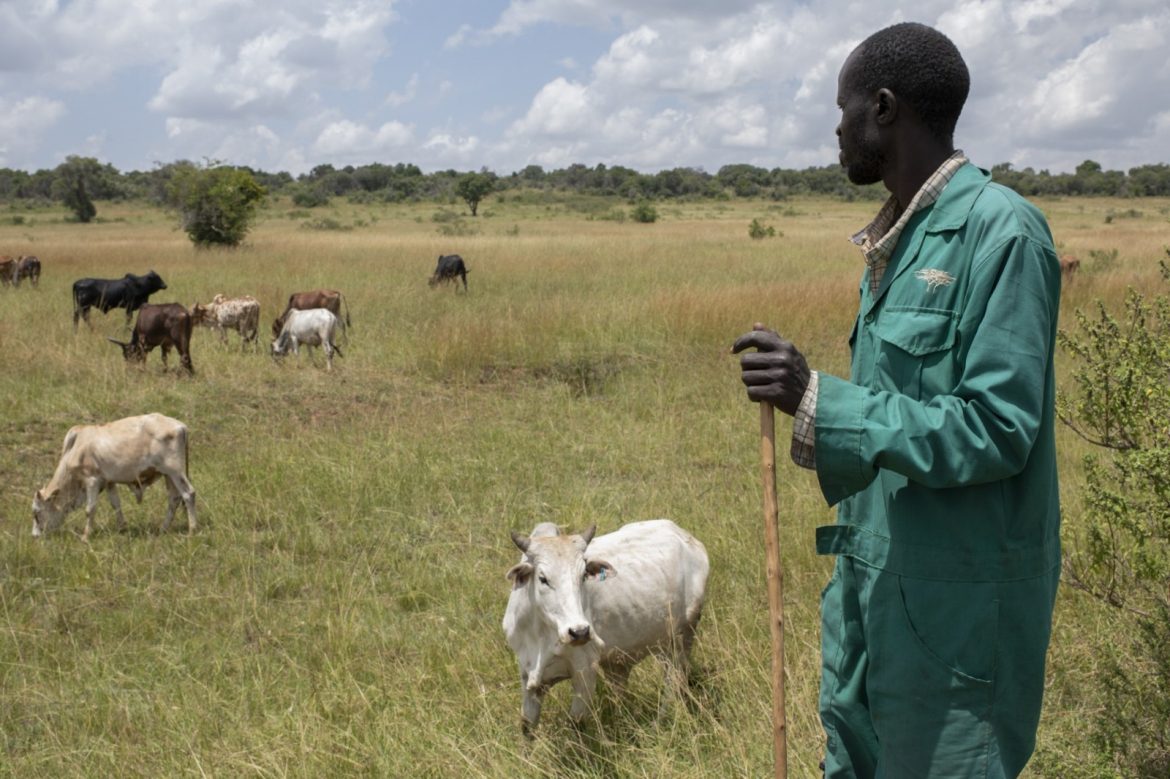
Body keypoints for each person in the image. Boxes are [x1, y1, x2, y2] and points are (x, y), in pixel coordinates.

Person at [732, 22, 1062, 779]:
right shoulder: (899, 243)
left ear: (882, 109)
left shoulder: (1001, 233)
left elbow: (998, 428)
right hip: (872, 594)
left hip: (956, 615)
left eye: (842, 109)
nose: (836, 129)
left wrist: (819, 398)